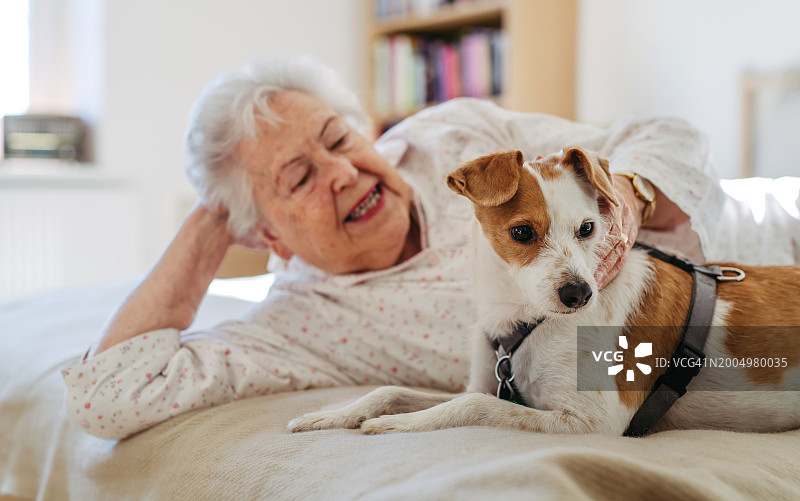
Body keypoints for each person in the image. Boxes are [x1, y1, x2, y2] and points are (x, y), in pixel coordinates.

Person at [61, 57, 800, 439]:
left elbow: (672, 136)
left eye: (338, 138)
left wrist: (623, 205)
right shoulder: (302, 323)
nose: (345, 172)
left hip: (770, 233)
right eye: (299, 177)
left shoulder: (452, 139)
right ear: (268, 234)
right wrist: (210, 222)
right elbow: (108, 396)